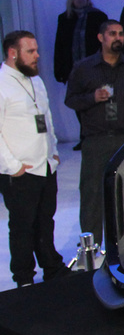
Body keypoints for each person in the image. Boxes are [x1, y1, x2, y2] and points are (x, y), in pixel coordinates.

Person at [65, 20, 124, 244]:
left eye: (121, 34)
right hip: (96, 140)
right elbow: (70, 100)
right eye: (112, 34)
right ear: (101, 38)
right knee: (92, 195)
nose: (118, 38)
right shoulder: (84, 68)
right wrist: (92, 98)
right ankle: (91, 248)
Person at [0, 31, 70, 287]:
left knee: (45, 221)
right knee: (22, 227)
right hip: (21, 171)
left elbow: (46, 117)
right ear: (13, 53)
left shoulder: (35, 80)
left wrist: (53, 151)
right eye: (30, 51)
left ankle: (52, 268)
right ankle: (24, 279)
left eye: (36, 50)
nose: (37, 55)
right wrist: (13, 166)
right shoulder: (2, 84)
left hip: (45, 165)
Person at [53, 0, 108, 84]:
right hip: (72, 68)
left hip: (95, 66)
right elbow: (59, 45)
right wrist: (59, 70)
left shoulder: (98, 16)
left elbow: (105, 43)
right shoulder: (64, 18)